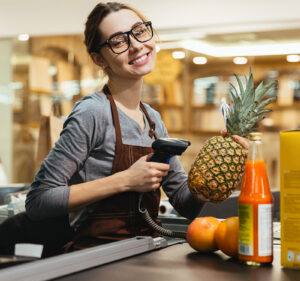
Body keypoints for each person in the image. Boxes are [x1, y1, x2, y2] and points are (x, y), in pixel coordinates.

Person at [0, 2, 248, 256]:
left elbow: (185, 204)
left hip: (145, 254)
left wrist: (218, 172)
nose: (137, 45)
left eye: (139, 31)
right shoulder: (93, 112)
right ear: (99, 58)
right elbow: (39, 201)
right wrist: (126, 180)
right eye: (118, 41)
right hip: (93, 261)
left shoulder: (153, 120)